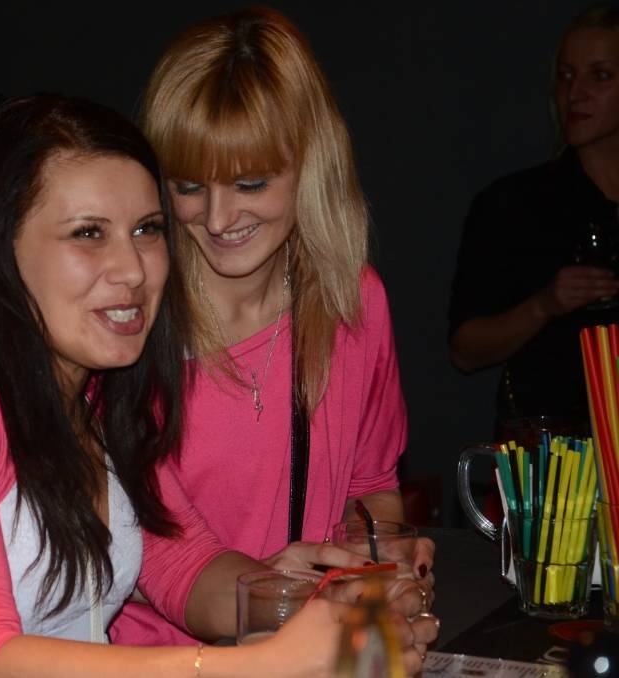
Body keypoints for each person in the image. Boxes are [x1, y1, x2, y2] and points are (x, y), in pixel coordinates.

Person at [0, 94, 436, 677]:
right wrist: (251, 666)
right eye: (88, 233)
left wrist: (321, 606)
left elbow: (180, 564)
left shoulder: (95, 398)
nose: (131, 269)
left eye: (146, 230)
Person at [110, 7, 436, 647]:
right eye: (188, 186)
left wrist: (376, 569)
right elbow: (165, 557)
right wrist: (299, 603)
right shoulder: (132, 322)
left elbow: (370, 486)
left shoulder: (353, 302)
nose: (217, 217)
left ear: (311, 164)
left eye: (250, 183)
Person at [449, 4, 619, 424]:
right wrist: (544, 305)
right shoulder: (514, 204)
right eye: (566, 76)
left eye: (600, 75)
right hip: (552, 454)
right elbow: (464, 350)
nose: (575, 93)